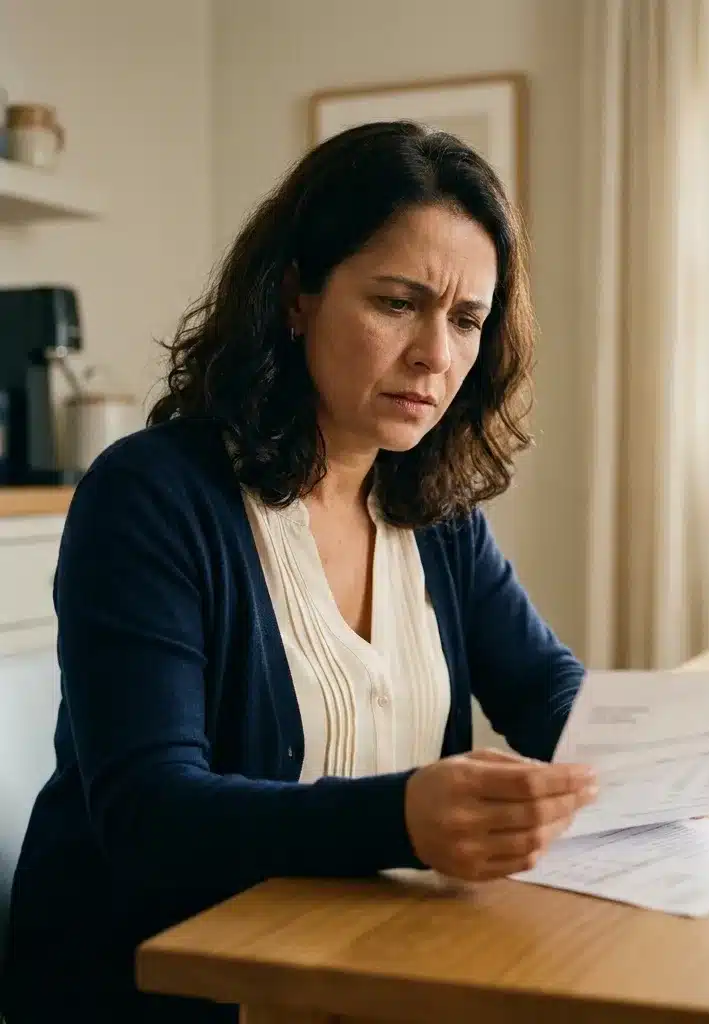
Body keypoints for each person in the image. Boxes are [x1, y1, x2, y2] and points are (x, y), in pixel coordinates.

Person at [2, 121, 595, 1024]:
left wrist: (677, 752)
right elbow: (150, 815)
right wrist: (401, 820)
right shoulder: (151, 495)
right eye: (398, 302)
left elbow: (549, 691)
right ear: (294, 299)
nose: (436, 355)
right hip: (165, 990)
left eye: (467, 318)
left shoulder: (433, 510)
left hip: (366, 965)